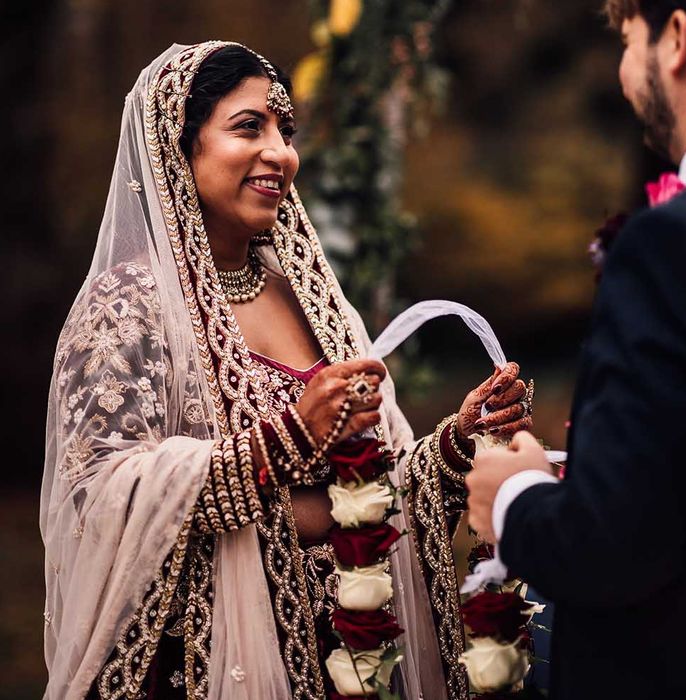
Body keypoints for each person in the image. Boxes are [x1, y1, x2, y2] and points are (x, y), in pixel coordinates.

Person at [41, 42, 532, 700]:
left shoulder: (317, 304)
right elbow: (98, 499)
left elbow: (374, 495)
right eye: (250, 127)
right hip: (204, 670)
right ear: (177, 147)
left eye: (287, 131)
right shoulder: (128, 309)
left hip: (347, 662)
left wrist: (455, 445)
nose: (281, 153)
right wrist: (283, 439)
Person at [466, 1, 686, 698]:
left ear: (679, 39)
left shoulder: (678, 245)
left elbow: (614, 546)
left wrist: (513, 497)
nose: (625, 72)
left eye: (630, 41)